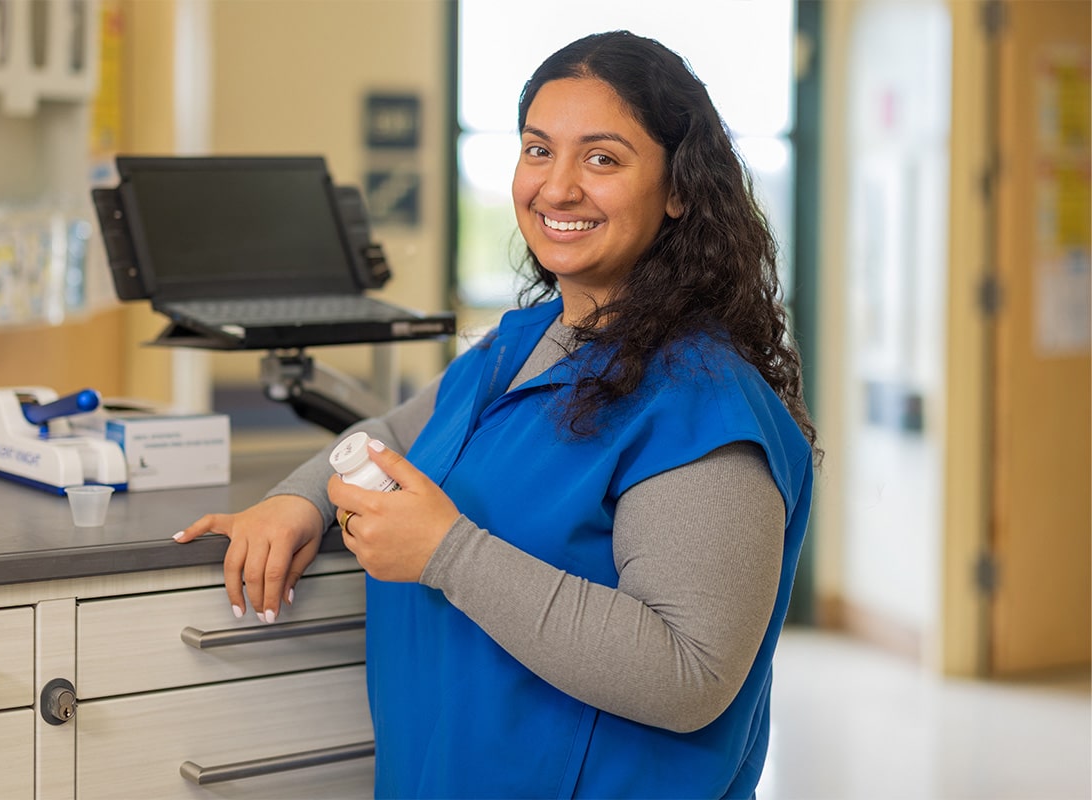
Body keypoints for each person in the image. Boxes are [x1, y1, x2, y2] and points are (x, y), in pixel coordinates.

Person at [176, 30, 819, 799]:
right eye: (538, 150)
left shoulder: (701, 409)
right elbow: (389, 438)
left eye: (603, 158)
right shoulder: (522, 346)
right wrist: (296, 501)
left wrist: (447, 552)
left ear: (679, 190)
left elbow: (689, 673)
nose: (557, 188)